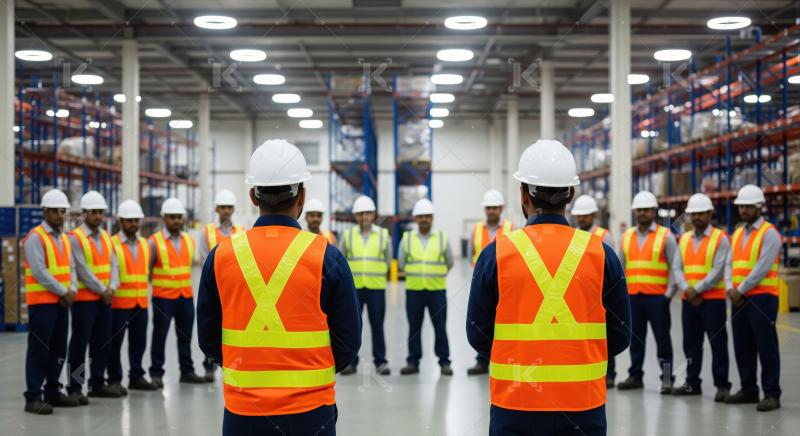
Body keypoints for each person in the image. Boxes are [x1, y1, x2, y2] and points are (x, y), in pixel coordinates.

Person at [197, 139, 361, 436]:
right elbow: (349, 340)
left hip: (242, 412)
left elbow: (208, 339)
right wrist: (309, 374)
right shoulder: (327, 256)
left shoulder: (221, 256)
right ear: (302, 196)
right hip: (312, 413)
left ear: (252, 196)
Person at [467, 139, 630, 436]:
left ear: (522, 195)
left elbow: (477, 332)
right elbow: (620, 335)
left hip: (515, 405)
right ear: (570, 193)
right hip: (584, 406)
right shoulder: (601, 254)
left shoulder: (495, 254)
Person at [724, 184, 782, 412]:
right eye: (742, 207)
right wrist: (730, 287)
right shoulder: (738, 233)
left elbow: (762, 267)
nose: (744, 210)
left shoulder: (770, 234)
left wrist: (740, 290)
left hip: (762, 299)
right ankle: (748, 389)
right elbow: (729, 264)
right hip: (738, 298)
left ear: (760, 207)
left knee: (766, 346)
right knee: (743, 345)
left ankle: (771, 393)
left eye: (749, 206)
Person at [23, 189, 80, 414]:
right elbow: (39, 271)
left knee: (58, 350)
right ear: (45, 211)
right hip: (42, 304)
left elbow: (71, 267)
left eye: (62, 211)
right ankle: (33, 397)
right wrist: (64, 291)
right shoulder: (35, 237)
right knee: (39, 349)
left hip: (61, 303)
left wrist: (72, 289)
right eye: (55, 211)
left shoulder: (64, 239)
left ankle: (53, 392)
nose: (59, 215)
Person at [670, 193, 731, 401]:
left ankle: (722, 385)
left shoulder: (720, 238)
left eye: (701, 214)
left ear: (710, 214)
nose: (697, 217)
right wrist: (687, 289)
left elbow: (718, 269)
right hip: (689, 300)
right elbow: (677, 267)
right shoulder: (684, 239)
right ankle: (692, 382)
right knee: (691, 344)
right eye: (693, 214)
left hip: (713, 300)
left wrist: (697, 289)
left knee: (718, 344)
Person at [616, 191, 678, 394]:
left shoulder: (665, 236)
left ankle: (667, 379)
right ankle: (635, 376)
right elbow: (621, 270)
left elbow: (675, 268)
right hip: (633, 298)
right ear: (635, 212)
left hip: (658, 299)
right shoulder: (626, 237)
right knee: (635, 340)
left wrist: (668, 295)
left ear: (654, 212)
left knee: (663, 341)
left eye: (646, 210)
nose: (642, 213)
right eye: (639, 210)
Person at [67, 191, 122, 401]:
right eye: (94, 213)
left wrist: (112, 287)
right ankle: (74, 388)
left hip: (105, 299)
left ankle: (97, 383)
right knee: (79, 346)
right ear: (84, 214)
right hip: (85, 302)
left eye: (101, 213)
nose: (98, 217)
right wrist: (104, 290)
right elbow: (81, 270)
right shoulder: (75, 238)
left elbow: (114, 264)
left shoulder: (107, 237)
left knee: (102, 343)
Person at [148, 197, 206, 387]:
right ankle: (156, 373)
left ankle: (187, 371)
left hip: (185, 296)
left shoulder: (189, 240)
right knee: (160, 336)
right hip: (163, 297)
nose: (176, 221)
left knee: (185, 336)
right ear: (164, 218)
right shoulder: (154, 242)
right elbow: (147, 270)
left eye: (179, 217)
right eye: (172, 217)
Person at [397, 198, 454, 376]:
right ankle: (413, 362)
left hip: (436, 290)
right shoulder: (407, 239)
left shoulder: (442, 237)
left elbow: (450, 261)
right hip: (414, 291)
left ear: (432, 218)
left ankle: (444, 362)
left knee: (440, 327)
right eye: (420, 216)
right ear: (415, 218)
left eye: (427, 216)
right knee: (414, 328)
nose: (423, 220)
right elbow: (401, 263)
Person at [107, 200, 157, 392]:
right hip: (119, 303)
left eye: (136, 220)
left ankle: (136, 376)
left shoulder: (145, 244)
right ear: (120, 221)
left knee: (139, 343)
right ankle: (114, 379)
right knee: (115, 345)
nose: (133, 224)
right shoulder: (112, 244)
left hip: (140, 303)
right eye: (129, 221)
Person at [340, 195, 392, 376]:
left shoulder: (383, 235)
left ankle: (381, 362)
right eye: (361, 214)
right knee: (353, 327)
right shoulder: (347, 236)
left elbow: (387, 260)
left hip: (376, 288)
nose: (365, 217)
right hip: (354, 289)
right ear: (356, 216)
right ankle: (350, 362)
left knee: (377, 326)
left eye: (368, 213)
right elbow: (342, 260)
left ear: (373, 215)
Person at [570, 193, 618, 387]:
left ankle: (610, 374)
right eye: (579, 216)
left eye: (585, 215)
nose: (581, 219)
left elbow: (612, 268)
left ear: (594, 215)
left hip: (602, 294)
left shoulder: (605, 236)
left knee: (604, 334)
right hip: (580, 294)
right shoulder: (572, 235)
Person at [198, 189, 245, 381]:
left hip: (234, 288)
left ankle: (235, 363)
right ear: (217, 209)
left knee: (234, 325)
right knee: (211, 324)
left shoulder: (241, 231)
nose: (226, 211)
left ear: (233, 209)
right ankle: (210, 366)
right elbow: (203, 258)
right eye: (223, 207)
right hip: (214, 287)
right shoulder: (207, 231)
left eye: (229, 207)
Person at [467, 189, 514, 376]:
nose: (492, 211)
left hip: (505, 283)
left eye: (495, 208)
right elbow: (472, 254)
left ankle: (504, 357)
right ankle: (482, 360)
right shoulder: (477, 229)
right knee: (482, 320)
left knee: (504, 321)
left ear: (501, 208)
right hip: (483, 284)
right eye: (489, 208)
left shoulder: (511, 228)